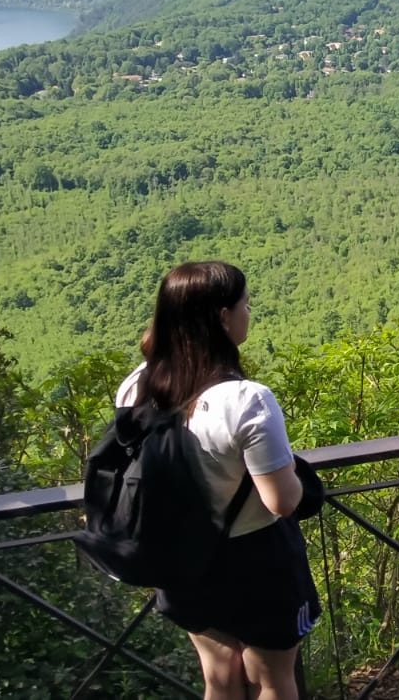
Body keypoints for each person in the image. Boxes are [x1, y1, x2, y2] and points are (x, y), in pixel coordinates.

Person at [115, 261, 319, 700]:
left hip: (178, 556)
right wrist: (302, 478)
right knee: (271, 678)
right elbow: (282, 500)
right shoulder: (247, 401)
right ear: (223, 317)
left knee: (220, 675)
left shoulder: (136, 386)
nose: (250, 311)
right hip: (256, 559)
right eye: (246, 303)